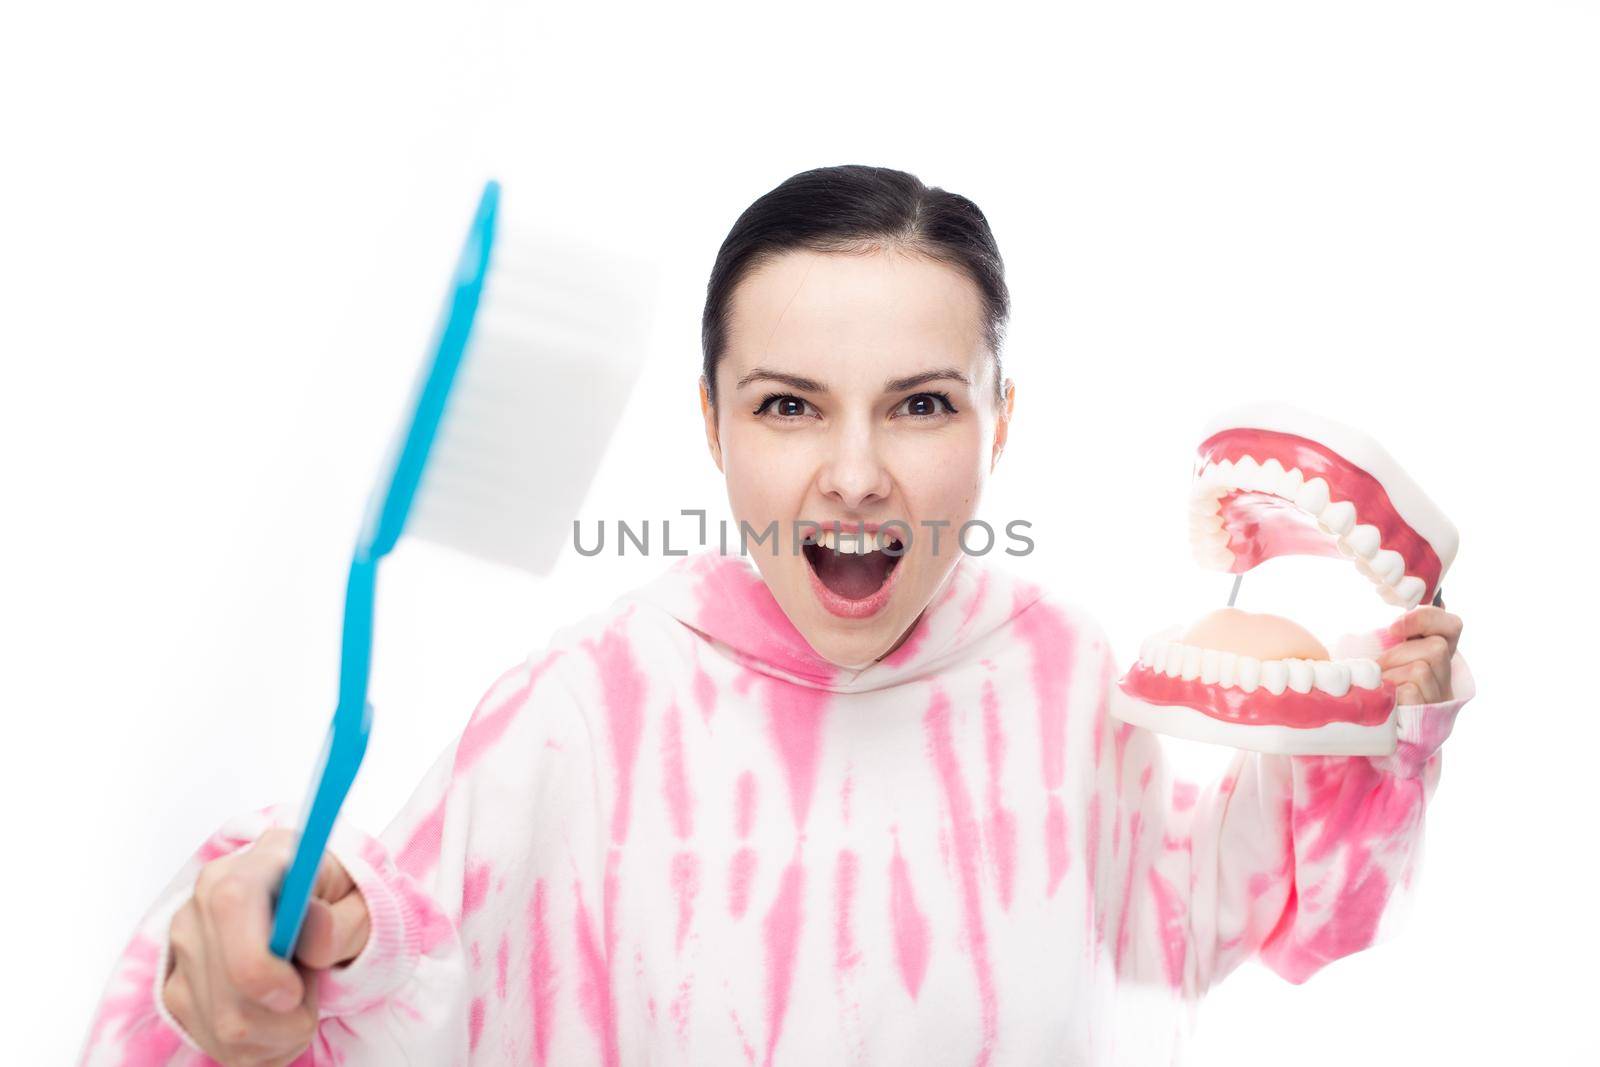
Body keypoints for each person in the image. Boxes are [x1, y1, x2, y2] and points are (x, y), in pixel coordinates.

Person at [79, 164, 1473, 1067]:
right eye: (789, 404)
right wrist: (296, 937)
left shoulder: (1057, 674)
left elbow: (1195, 916)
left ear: (1001, 425)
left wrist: (1365, 726)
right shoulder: (588, 703)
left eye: (922, 404)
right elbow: (408, 957)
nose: (855, 473)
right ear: (711, 423)